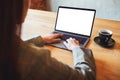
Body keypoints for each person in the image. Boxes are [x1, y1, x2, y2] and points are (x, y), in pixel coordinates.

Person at [0, 0, 96, 80]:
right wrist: (77, 49)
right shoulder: (35, 58)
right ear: (15, 6)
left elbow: (12, 47)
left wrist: (41, 40)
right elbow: (86, 77)